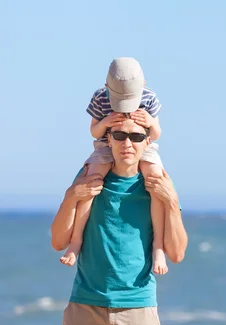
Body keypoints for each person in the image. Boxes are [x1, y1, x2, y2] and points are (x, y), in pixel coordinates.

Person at [50, 117, 188, 325]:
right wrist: (71, 197)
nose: (127, 143)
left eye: (136, 137)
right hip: (85, 310)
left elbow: (176, 253)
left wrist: (172, 203)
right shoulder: (90, 175)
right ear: (108, 139)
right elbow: (58, 242)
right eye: (120, 135)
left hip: (137, 312)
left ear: (148, 142)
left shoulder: (156, 181)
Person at [60, 57, 169, 276]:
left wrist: (148, 121)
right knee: (91, 183)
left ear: (143, 84)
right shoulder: (101, 97)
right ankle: (75, 241)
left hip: (141, 142)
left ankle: (158, 246)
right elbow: (94, 131)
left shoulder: (149, 97)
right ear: (107, 85)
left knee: (156, 183)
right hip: (106, 142)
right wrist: (106, 124)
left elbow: (156, 134)